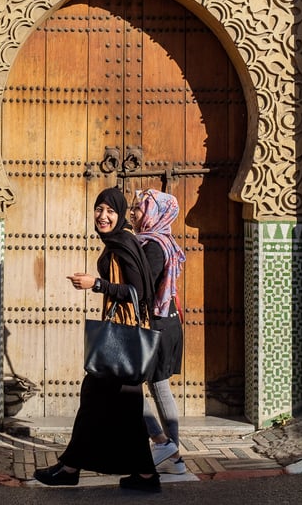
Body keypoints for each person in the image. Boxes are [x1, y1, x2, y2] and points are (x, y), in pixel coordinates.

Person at [33, 186, 161, 492]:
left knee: (94, 399)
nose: (103, 216)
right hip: (122, 340)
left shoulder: (123, 243)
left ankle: (70, 468)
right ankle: (145, 476)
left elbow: (138, 293)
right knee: (126, 411)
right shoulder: (118, 241)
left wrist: (97, 284)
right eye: (99, 209)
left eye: (110, 211)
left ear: (120, 215)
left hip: (122, 340)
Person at [130, 188, 188, 475]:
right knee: (159, 386)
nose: (133, 213)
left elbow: (143, 289)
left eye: (138, 209)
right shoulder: (161, 242)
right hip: (167, 323)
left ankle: (165, 446)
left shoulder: (153, 246)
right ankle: (173, 457)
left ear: (153, 214)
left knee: (127, 388)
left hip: (158, 326)